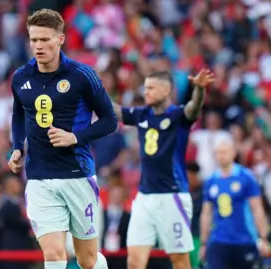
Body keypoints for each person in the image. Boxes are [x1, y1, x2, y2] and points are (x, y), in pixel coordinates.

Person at [8, 9, 118, 269]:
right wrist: (16, 148)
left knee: (88, 260)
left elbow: (109, 120)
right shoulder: (21, 77)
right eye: (34, 40)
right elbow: (17, 115)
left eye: (45, 39)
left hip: (77, 174)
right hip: (39, 177)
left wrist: (75, 137)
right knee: (54, 254)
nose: (38, 46)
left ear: (60, 39)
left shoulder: (82, 75)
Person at [111, 69, 214, 269]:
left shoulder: (177, 115)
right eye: (145, 87)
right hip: (145, 197)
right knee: (134, 261)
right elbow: (115, 111)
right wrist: (90, 89)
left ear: (166, 90)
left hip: (172, 197)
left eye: (150, 87)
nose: (145, 91)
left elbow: (194, 108)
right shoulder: (141, 114)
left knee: (179, 260)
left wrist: (199, 90)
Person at [200, 138, 269, 269]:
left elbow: (257, 209)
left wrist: (263, 238)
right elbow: (206, 214)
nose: (221, 156)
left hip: (245, 240)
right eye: (218, 152)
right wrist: (204, 243)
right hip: (218, 240)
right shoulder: (211, 181)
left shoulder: (246, 177)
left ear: (233, 153)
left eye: (225, 152)